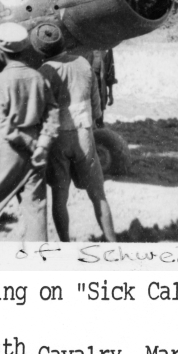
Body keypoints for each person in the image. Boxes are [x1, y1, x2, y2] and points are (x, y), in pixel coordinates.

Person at [0, 23, 58, 241]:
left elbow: (5, 126)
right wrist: (42, 145)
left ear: (0, 52)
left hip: (10, 151)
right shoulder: (38, 78)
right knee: (35, 207)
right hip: (38, 152)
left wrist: (31, 144)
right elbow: (52, 113)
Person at [37, 24, 116, 242]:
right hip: (84, 135)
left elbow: (42, 111)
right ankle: (114, 245)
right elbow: (96, 105)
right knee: (98, 195)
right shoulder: (82, 62)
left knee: (59, 198)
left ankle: (65, 246)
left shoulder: (45, 71)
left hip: (59, 139)